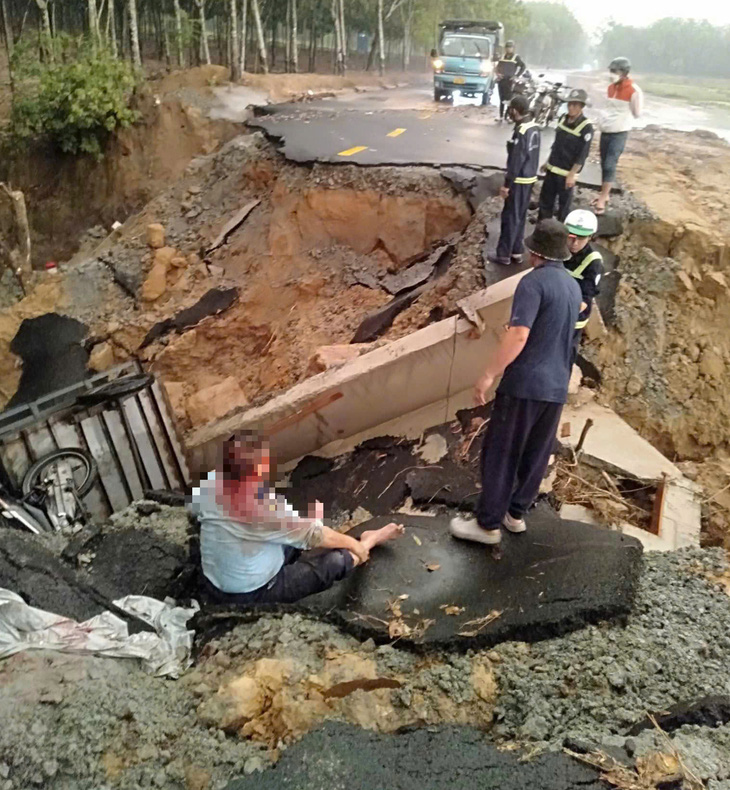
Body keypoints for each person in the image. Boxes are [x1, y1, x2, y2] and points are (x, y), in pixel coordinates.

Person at [451, 219, 581, 545]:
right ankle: (515, 514)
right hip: (555, 387)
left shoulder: (532, 283)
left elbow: (519, 335)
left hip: (525, 384)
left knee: (502, 451)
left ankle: (487, 525)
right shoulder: (572, 286)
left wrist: (488, 374)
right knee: (536, 453)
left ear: (534, 251)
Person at [190, 431, 405, 604]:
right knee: (336, 561)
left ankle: (303, 543)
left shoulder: (211, 483)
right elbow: (314, 534)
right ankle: (371, 540)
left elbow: (198, 511)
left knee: (301, 532)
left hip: (219, 577)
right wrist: (355, 546)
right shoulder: (257, 509)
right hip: (248, 592)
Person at [489, 95, 540, 266]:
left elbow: (516, 160)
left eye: (511, 109)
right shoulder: (534, 127)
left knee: (510, 217)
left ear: (515, 110)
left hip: (519, 181)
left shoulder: (522, 131)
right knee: (520, 216)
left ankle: (503, 254)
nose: (509, 113)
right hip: (529, 179)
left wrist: (506, 185)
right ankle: (516, 251)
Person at [593, 57, 643, 215]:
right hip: (606, 130)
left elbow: (636, 113)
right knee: (603, 162)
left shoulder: (634, 90)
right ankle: (604, 194)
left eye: (615, 71)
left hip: (619, 132)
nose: (612, 74)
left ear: (624, 73)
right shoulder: (610, 88)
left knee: (610, 164)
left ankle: (603, 196)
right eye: (611, 71)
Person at [538, 88, 593, 222]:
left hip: (566, 173)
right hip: (552, 168)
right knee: (545, 202)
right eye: (570, 104)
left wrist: (572, 174)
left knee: (564, 207)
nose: (571, 107)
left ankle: (561, 235)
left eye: (575, 105)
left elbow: (582, 154)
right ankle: (542, 230)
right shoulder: (563, 119)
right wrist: (547, 162)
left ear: (581, 107)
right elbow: (556, 144)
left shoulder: (586, 127)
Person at [563, 209, 603, 361]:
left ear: (590, 237)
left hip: (573, 319)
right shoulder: (559, 250)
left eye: (581, 238)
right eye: (571, 237)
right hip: (554, 310)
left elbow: (585, 299)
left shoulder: (593, 262)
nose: (575, 243)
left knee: (564, 355)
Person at [495, 40, 526, 121]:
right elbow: (496, 67)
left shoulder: (516, 57)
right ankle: (501, 116)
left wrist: (516, 76)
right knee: (501, 99)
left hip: (510, 81)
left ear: (513, 48)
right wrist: (498, 74)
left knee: (509, 99)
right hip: (501, 80)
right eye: (507, 47)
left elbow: (523, 66)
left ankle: (509, 116)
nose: (509, 49)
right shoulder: (502, 57)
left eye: (510, 47)